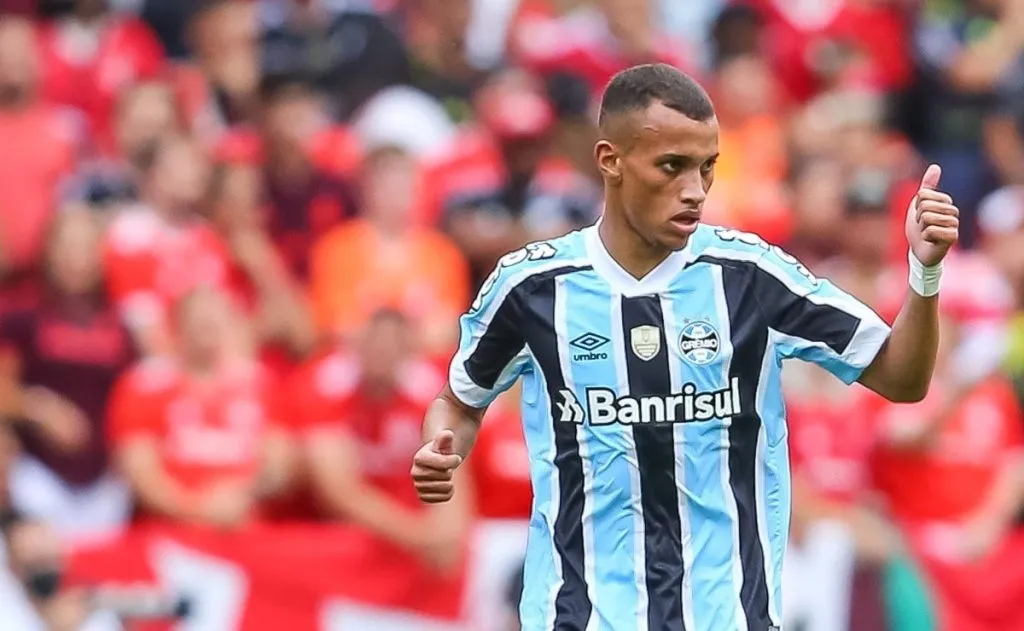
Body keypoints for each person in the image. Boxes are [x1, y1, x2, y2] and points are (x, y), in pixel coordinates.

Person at [411, 63, 960, 630]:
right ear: (610, 161)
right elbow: (458, 402)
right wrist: (441, 448)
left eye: (707, 168)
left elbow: (903, 378)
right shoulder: (531, 288)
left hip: (727, 616)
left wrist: (924, 274)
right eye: (671, 167)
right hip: (579, 615)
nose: (695, 190)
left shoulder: (752, 277)